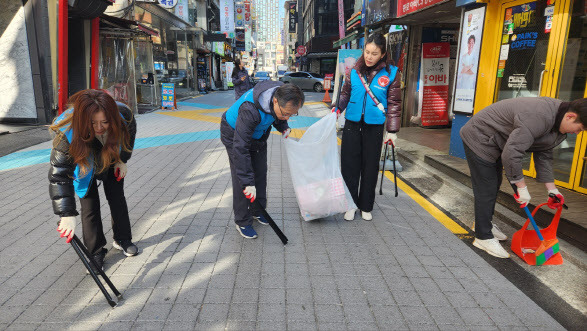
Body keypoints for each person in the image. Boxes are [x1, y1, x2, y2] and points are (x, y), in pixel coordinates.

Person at [460, 97, 587, 258]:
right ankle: (483, 236)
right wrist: (522, 187)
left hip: (500, 142)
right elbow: (512, 154)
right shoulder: (538, 116)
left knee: (494, 183)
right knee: (487, 187)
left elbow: (544, 155)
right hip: (480, 137)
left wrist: (552, 190)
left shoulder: (558, 126)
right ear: (570, 116)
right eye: (580, 128)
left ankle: (484, 224)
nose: (577, 133)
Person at [49, 89, 138, 272]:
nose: (99, 127)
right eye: (93, 123)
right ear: (82, 120)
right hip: (84, 164)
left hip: (112, 157)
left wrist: (123, 160)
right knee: (89, 206)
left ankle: (123, 239)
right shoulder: (67, 132)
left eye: (105, 122)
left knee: (117, 198)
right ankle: (95, 251)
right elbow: (59, 175)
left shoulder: (124, 116)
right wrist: (66, 214)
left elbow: (128, 139)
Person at [220, 81, 304, 239]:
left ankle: (257, 211)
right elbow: (240, 147)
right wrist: (247, 182)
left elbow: (279, 116)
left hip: (257, 136)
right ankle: (243, 221)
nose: (287, 117)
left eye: (291, 115)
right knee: (242, 180)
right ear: (275, 101)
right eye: (285, 114)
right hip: (234, 135)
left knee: (260, 173)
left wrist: (283, 126)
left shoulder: (281, 93)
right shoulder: (249, 110)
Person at [333, 33, 402, 221]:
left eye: (374, 53)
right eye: (367, 52)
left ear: (383, 54)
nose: (369, 57)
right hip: (352, 124)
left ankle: (366, 205)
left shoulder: (392, 73)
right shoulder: (354, 71)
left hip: (375, 126)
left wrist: (392, 131)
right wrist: (337, 109)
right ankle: (350, 204)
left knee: (370, 166)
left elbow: (394, 103)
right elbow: (345, 94)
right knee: (349, 166)